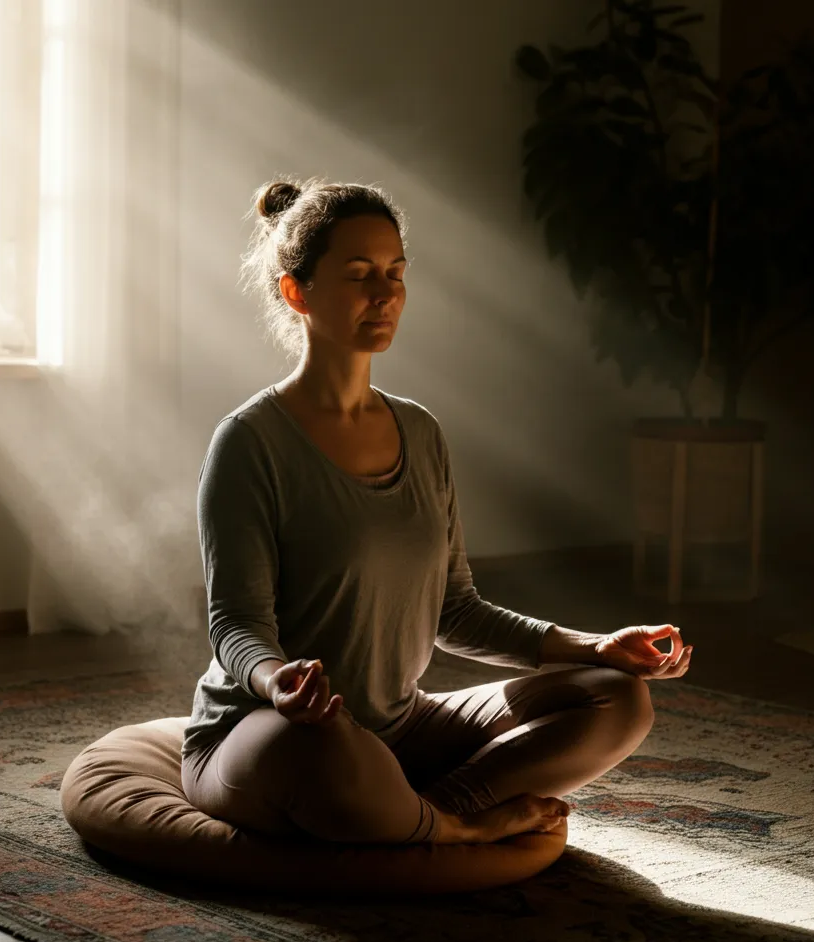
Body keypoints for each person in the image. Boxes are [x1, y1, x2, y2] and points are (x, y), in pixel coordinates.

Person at [180, 176, 693, 847]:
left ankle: (435, 813)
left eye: (395, 273)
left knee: (618, 699)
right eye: (360, 274)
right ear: (297, 292)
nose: (385, 294)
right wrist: (280, 683)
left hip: (397, 731)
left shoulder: (420, 434)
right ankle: (452, 833)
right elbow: (238, 626)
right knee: (332, 748)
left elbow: (455, 610)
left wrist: (595, 645)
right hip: (274, 733)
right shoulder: (250, 442)